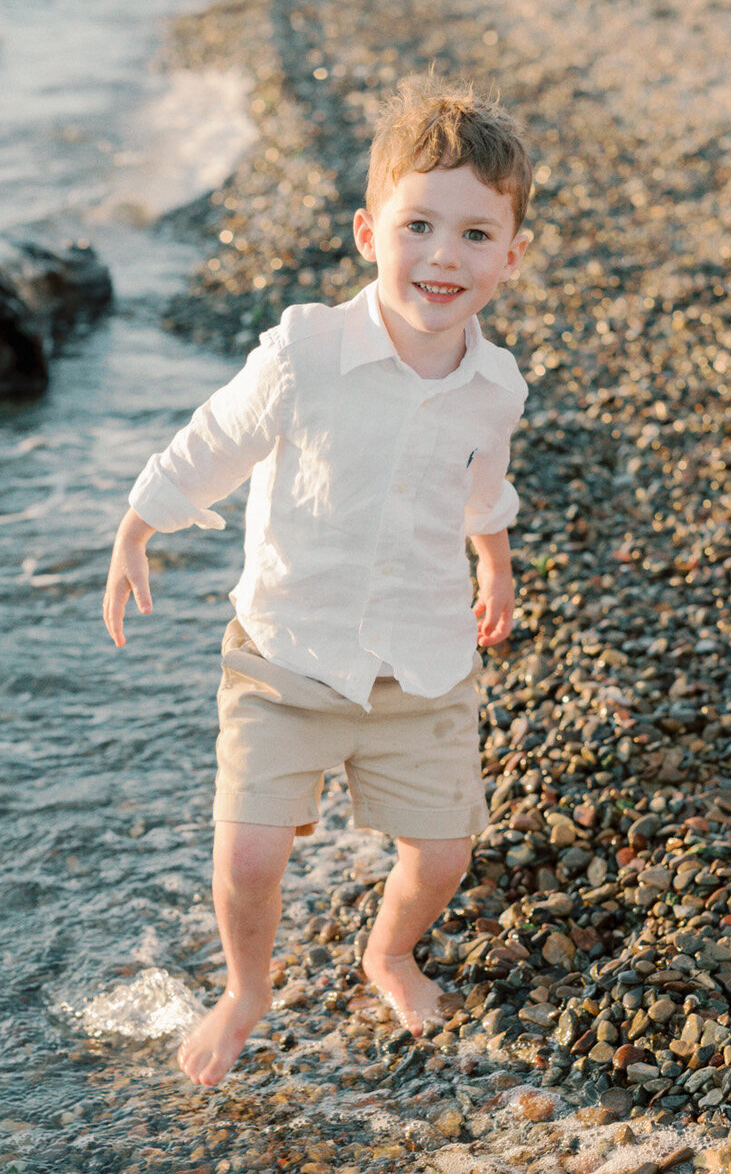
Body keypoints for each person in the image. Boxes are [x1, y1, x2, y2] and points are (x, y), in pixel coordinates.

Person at [103, 75, 533, 1086]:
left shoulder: (495, 387)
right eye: (418, 224)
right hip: (286, 651)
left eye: (475, 235)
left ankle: (388, 950)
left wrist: (495, 559)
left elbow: (484, 487)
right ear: (366, 230)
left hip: (423, 660)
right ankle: (246, 987)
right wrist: (141, 521)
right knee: (251, 855)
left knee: (442, 856)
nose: (442, 255)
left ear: (511, 258)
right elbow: (219, 437)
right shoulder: (308, 350)